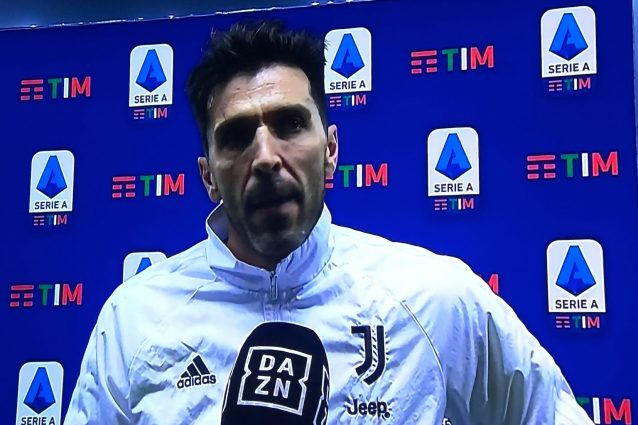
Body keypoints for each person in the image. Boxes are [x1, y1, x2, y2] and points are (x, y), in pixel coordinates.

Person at [65, 20, 594, 424]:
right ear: (208, 176)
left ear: (331, 150)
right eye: (237, 136)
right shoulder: (135, 319)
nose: (266, 157)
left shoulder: (435, 298)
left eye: (290, 124)